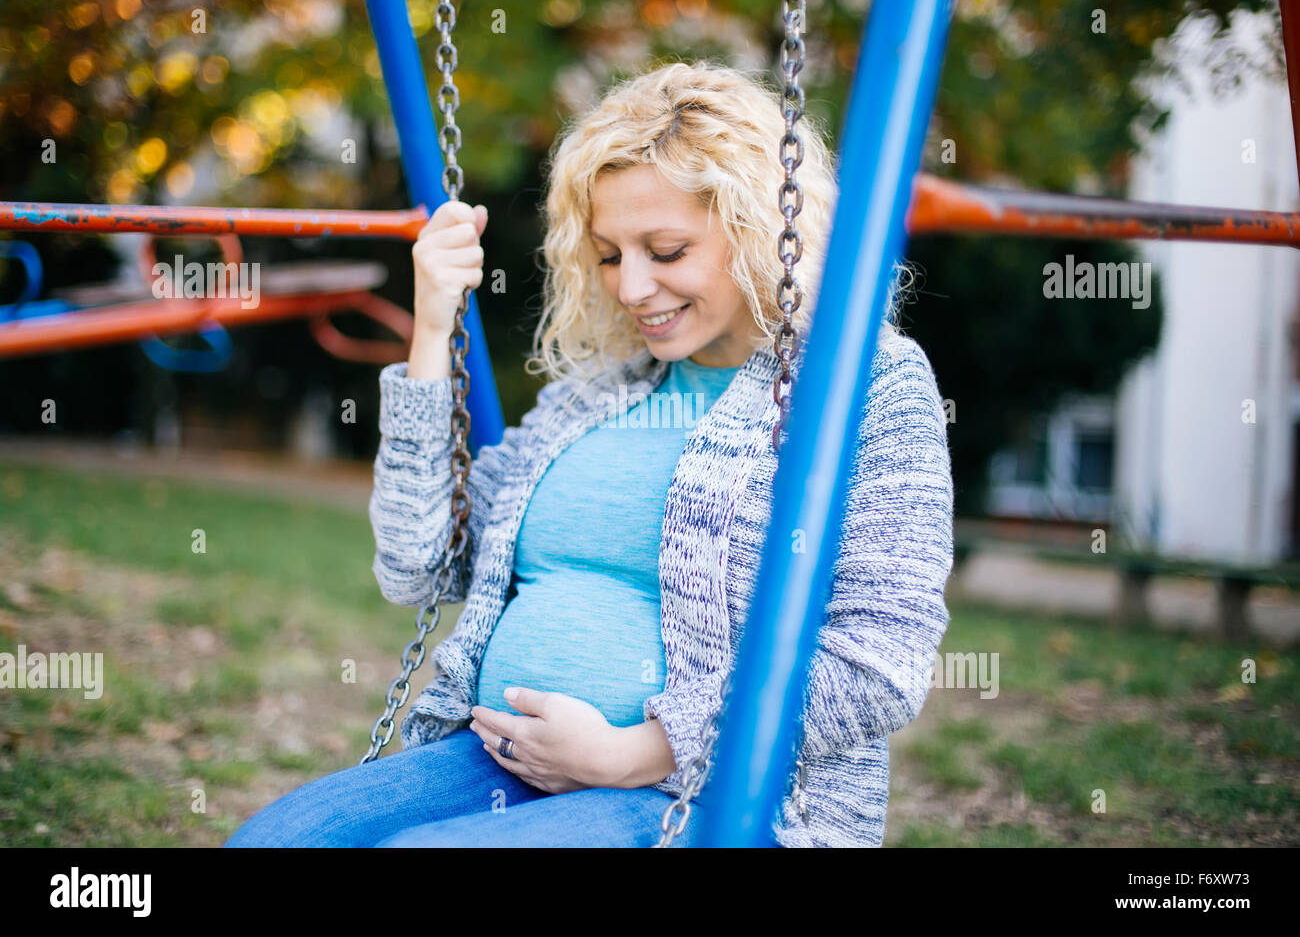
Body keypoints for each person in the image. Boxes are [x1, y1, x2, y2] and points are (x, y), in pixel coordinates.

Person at [225, 59, 954, 848]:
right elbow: (419, 564)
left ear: (759, 231)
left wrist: (638, 752)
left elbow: (881, 660)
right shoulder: (596, 393)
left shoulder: (864, 382)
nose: (632, 287)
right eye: (609, 255)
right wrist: (431, 332)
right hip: (497, 759)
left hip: (720, 802)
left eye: (666, 250)